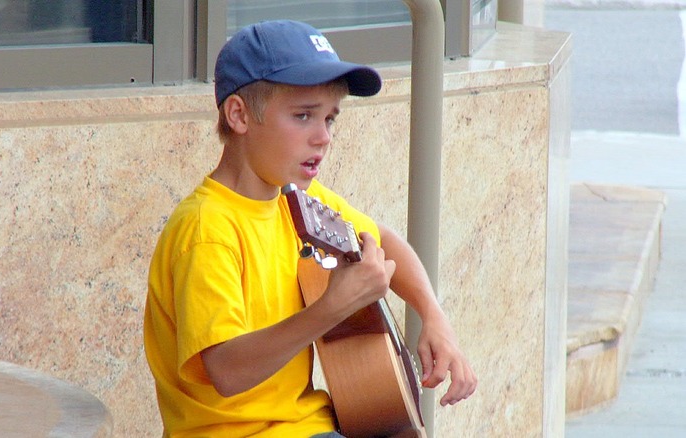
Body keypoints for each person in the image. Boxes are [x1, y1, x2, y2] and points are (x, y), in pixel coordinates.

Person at [143, 19, 477, 438]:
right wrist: (332, 308)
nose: (323, 137)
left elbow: (384, 241)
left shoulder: (296, 199)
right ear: (239, 114)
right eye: (303, 116)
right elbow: (227, 370)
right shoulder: (207, 229)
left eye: (330, 119)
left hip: (310, 425)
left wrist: (433, 316)